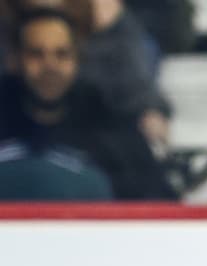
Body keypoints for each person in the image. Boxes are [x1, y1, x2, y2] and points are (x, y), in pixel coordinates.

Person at [0, 6, 173, 199]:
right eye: (36, 54)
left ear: (78, 59)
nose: (50, 66)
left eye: (62, 54)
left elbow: (158, 204)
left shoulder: (112, 129)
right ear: (14, 60)